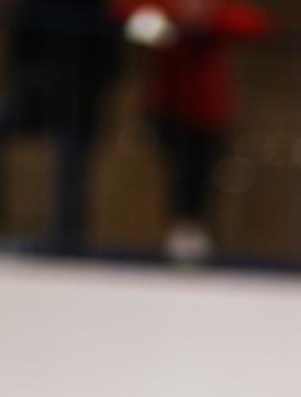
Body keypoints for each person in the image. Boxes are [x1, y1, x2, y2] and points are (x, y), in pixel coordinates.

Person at [112, 0, 271, 263]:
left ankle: (194, 232)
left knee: (202, 171)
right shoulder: (163, 8)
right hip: (167, 103)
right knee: (174, 169)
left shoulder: (218, 10)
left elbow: (256, 24)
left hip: (209, 109)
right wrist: (176, 16)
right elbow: (128, 16)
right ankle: (177, 230)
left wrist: (208, 18)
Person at [0, 0, 123, 251]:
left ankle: (67, 238)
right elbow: (17, 59)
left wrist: (79, 88)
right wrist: (34, 85)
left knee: (72, 150)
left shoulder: (95, 10)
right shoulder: (36, 7)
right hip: (34, 101)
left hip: (80, 108)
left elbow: (112, 66)